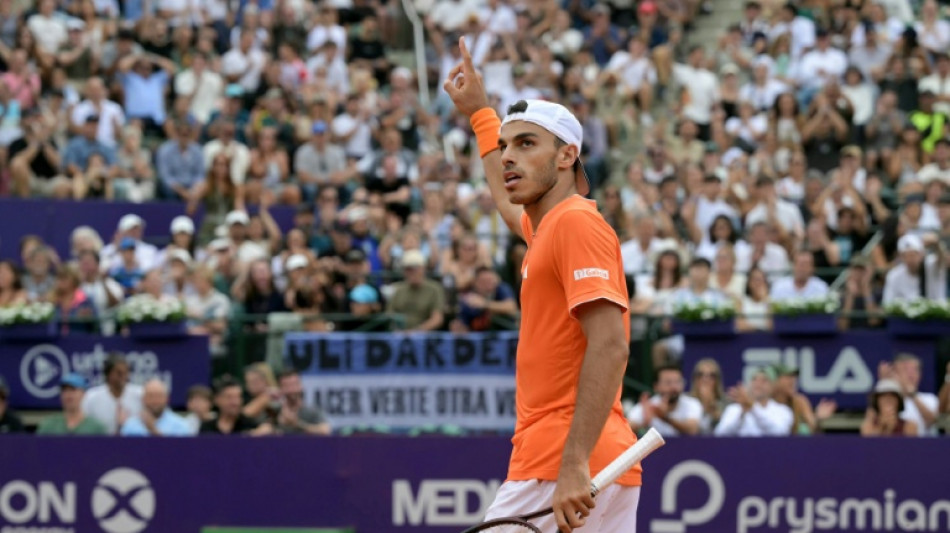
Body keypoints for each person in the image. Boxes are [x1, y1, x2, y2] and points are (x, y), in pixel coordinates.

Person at [444, 39, 638, 531]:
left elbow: (611, 346)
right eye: (507, 146)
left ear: (567, 155)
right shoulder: (550, 225)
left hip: (563, 460)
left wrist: (573, 463)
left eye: (527, 144)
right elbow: (511, 210)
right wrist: (481, 116)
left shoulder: (575, 223)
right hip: (583, 457)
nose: (509, 157)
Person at [714, 368, 793, 437]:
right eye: (754, 379)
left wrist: (753, 408)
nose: (758, 384)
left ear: (772, 387)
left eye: (764, 380)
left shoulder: (783, 411)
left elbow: (780, 433)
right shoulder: (734, 409)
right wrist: (741, 415)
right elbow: (719, 434)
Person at [627, 365, 702, 437]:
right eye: (668, 383)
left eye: (677, 382)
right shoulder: (647, 406)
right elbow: (627, 430)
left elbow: (692, 430)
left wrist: (665, 417)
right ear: (656, 386)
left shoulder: (692, 403)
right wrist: (644, 423)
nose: (674, 387)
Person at [81, 353, 144, 435]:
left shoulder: (140, 394)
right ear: (108, 374)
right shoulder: (91, 397)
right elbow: (83, 426)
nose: (124, 376)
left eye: (126, 372)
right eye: (119, 373)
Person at [36, 373, 108, 435]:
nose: (68, 394)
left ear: (83, 394)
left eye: (72, 389)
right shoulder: (49, 425)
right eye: (64, 390)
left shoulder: (96, 427)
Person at [200, 375, 272, 435]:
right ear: (217, 400)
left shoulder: (250, 426)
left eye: (238, 397)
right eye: (229, 397)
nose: (235, 402)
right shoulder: (207, 428)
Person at [120, 379, 192, 437]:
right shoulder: (130, 426)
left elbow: (180, 452)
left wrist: (153, 430)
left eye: (159, 396)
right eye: (150, 396)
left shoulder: (181, 426)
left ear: (167, 399)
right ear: (143, 399)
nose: (155, 401)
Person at [275, 370, 331, 435]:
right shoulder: (275, 411)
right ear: (280, 388)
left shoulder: (312, 411)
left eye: (295, 384)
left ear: (301, 386)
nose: (292, 390)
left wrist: (297, 424)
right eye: (287, 386)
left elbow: (325, 431)